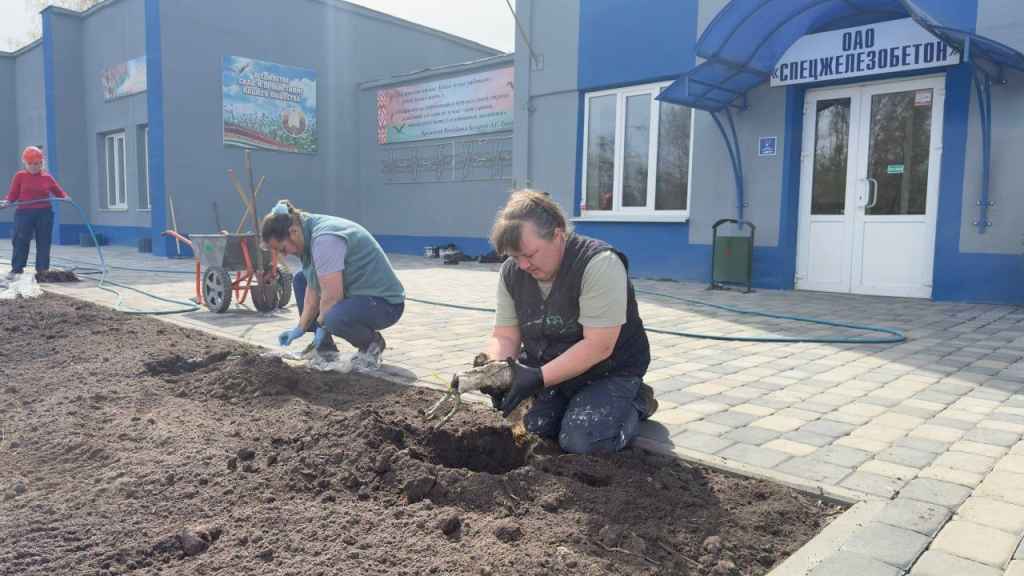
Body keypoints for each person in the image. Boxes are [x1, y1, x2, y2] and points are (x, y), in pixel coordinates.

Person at [481, 189, 657, 454]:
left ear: (558, 234)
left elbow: (599, 346)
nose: (524, 265)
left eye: (529, 254)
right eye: (515, 257)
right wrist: (494, 368)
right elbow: (505, 335)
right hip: (549, 368)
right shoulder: (512, 272)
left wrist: (537, 378)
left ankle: (637, 400)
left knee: (582, 441)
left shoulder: (599, 264)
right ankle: (569, 403)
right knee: (529, 428)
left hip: (607, 371)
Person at [260, 199, 405, 368]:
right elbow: (312, 288)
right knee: (301, 279)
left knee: (334, 318)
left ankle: (371, 345)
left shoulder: (324, 240)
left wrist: (322, 325)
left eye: (283, 249)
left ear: (293, 232)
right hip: (358, 297)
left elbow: (332, 296)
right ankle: (325, 350)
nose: (284, 255)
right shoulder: (305, 232)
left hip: (384, 304)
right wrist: (300, 328)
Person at [3, 146, 68, 280]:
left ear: (41, 163)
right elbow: (13, 194)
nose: (34, 166)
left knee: (44, 241)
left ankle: (42, 271)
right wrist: (8, 202)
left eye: (37, 164)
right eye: (30, 164)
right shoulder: (19, 176)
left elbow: (58, 191)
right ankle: (17, 269)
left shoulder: (47, 177)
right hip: (24, 213)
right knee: (20, 240)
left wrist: (65, 197)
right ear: (25, 163)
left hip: (44, 213)